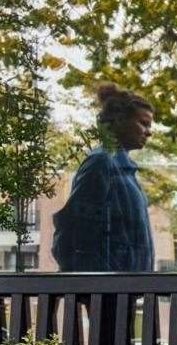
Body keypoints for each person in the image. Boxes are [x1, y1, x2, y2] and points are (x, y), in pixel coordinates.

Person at [51, 83, 155, 272]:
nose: (149, 132)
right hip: (110, 292)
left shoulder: (122, 170)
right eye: (143, 123)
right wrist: (103, 283)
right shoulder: (101, 164)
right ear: (119, 120)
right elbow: (77, 234)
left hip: (126, 289)